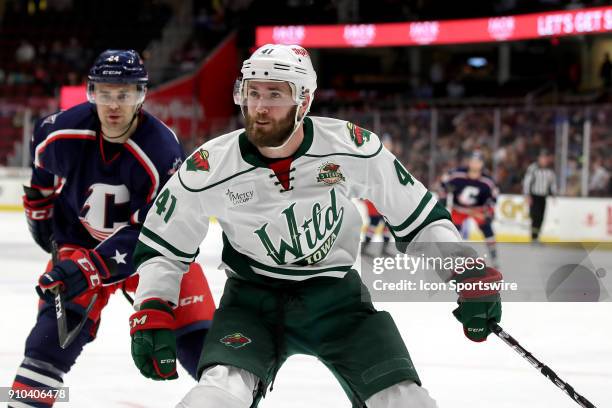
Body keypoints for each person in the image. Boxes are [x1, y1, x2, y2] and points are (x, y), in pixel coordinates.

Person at [129, 44, 502, 408]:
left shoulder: (351, 147)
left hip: (338, 301)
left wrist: (465, 270)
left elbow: (418, 217)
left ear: (304, 101)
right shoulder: (208, 168)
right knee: (216, 395)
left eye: (275, 94)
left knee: (406, 400)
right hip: (251, 302)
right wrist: (153, 305)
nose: (259, 107)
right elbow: (164, 246)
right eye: (251, 92)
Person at [10, 50, 215, 407]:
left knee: (206, 351)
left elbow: (159, 232)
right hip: (81, 243)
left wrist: (90, 268)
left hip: (153, 255)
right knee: (45, 346)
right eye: (105, 93)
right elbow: (42, 166)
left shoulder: (162, 152)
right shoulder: (62, 131)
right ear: (91, 93)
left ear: (141, 95)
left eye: (125, 94)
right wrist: (39, 211)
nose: (114, 105)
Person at [439, 151, 499, 267]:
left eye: (478, 162)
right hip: (459, 209)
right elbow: (444, 183)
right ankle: (450, 258)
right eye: (473, 161)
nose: (475, 164)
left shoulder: (487, 181)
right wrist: (443, 197)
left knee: (487, 229)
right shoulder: (457, 174)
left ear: (482, 164)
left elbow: (494, 196)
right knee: (453, 233)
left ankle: (494, 256)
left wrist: (489, 211)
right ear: (469, 163)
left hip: (478, 210)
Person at [522, 149, 557, 242]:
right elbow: (527, 182)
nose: (544, 160)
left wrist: (554, 194)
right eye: (542, 158)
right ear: (539, 158)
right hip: (534, 196)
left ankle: (537, 236)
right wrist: (527, 195)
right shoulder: (533, 168)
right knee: (535, 216)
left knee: (541, 217)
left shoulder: (550, 170)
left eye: (545, 158)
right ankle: (534, 237)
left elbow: (552, 183)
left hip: (543, 196)